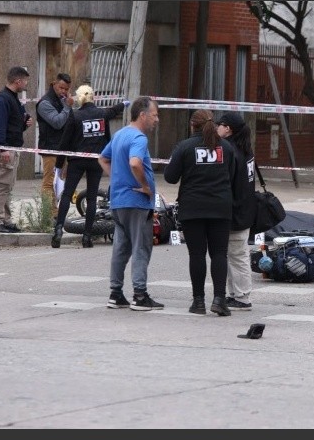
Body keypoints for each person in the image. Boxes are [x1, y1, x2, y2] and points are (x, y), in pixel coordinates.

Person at [164, 109, 239, 317]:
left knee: (196, 254)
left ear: (192, 125)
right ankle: (219, 299)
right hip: (220, 206)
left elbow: (170, 177)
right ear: (212, 124)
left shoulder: (184, 147)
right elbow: (232, 175)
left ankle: (198, 302)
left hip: (193, 207)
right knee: (219, 254)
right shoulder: (226, 147)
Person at [97, 96, 164, 311]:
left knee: (120, 248)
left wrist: (117, 178)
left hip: (118, 201)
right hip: (137, 202)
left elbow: (102, 158)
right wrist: (145, 186)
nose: (157, 120)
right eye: (154, 115)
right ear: (143, 115)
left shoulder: (119, 135)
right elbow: (135, 162)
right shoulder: (139, 138)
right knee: (141, 247)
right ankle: (139, 295)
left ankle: (115, 294)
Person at [51, 85, 126, 248]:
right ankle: (87, 236)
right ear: (93, 97)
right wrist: (126, 103)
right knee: (92, 198)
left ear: (79, 99)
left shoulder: (75, 116)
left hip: (76, 161)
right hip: (96, 161)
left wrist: (58, 165)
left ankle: (58, 230)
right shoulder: (102, 114)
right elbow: (114, 110)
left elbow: (64, 142)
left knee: (67, 195)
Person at [217, 112, 255, 311]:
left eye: (220, 125)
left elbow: (227, 182)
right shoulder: (245, 148)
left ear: (228, 128)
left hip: (235, 210)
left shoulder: (230, 150)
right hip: (245, 208)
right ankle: (236, 294)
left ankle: (242, 297)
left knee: (237, 255)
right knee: (235, 254)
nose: (217, 128)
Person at [0, 66, 33, 233]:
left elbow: (13, 125)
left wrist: (24, 123)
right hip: (5, 149)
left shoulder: (13, 98)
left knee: (8, 185)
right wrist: (2, 149)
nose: (26, 84)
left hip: (12, 147)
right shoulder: (2, 99)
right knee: (1, 184)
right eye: (26, 81)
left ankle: (5, 219)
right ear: (18, 81)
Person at [36, 72, 74, 220]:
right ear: (54, 84)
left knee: (59, 182)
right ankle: (49, 213)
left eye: (66, 89)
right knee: (49, 182)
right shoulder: (45, 103)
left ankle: (56, 211)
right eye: (61, 88)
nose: (64, 91)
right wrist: (67, 107)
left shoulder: (61, 100)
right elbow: (57, 122)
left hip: (62, 147)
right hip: (50, 147)